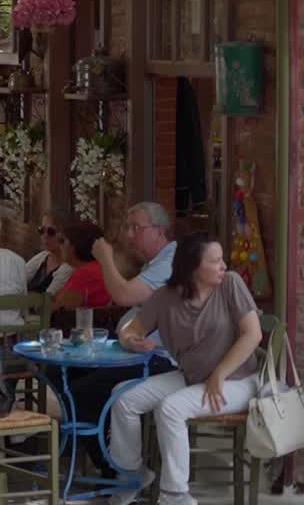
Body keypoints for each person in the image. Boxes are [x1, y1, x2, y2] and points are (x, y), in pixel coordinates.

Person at [107, 232, 262, 505]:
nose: (223, 266)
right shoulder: (165, 297)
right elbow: (130, 329)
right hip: (192, 377)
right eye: (215, 261)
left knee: (171, 408)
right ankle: (132, 475)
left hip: (237, 381)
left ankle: (174, 494)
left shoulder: (230, 284)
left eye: (222, 259)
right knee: (123, 397)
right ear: (192, 267)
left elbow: (253, 334)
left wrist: (219, 374)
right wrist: (131, 340)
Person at [66, 202, 178, 475]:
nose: (129, 235)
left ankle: (117, 467)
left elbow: (124, 295)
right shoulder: (156, 263)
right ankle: (100, 453)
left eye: (136, 228)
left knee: (83, 391)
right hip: (140, 351)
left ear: (160, 231)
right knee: (65, 374)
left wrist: (104, 258)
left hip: (164, 359)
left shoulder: (169, 263)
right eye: (128, 227)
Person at [51, 221, 112, 311]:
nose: (59, 245)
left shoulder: (86, 273)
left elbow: (55, 309)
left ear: (74, 245)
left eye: (62, 241)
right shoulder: (100, 268)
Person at [25, 212, 73, 294]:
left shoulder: (68, 268)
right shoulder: (43, 256)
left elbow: (48, 298)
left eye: (51, 231)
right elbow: (19, 278)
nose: (45, 235)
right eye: (42, 230)